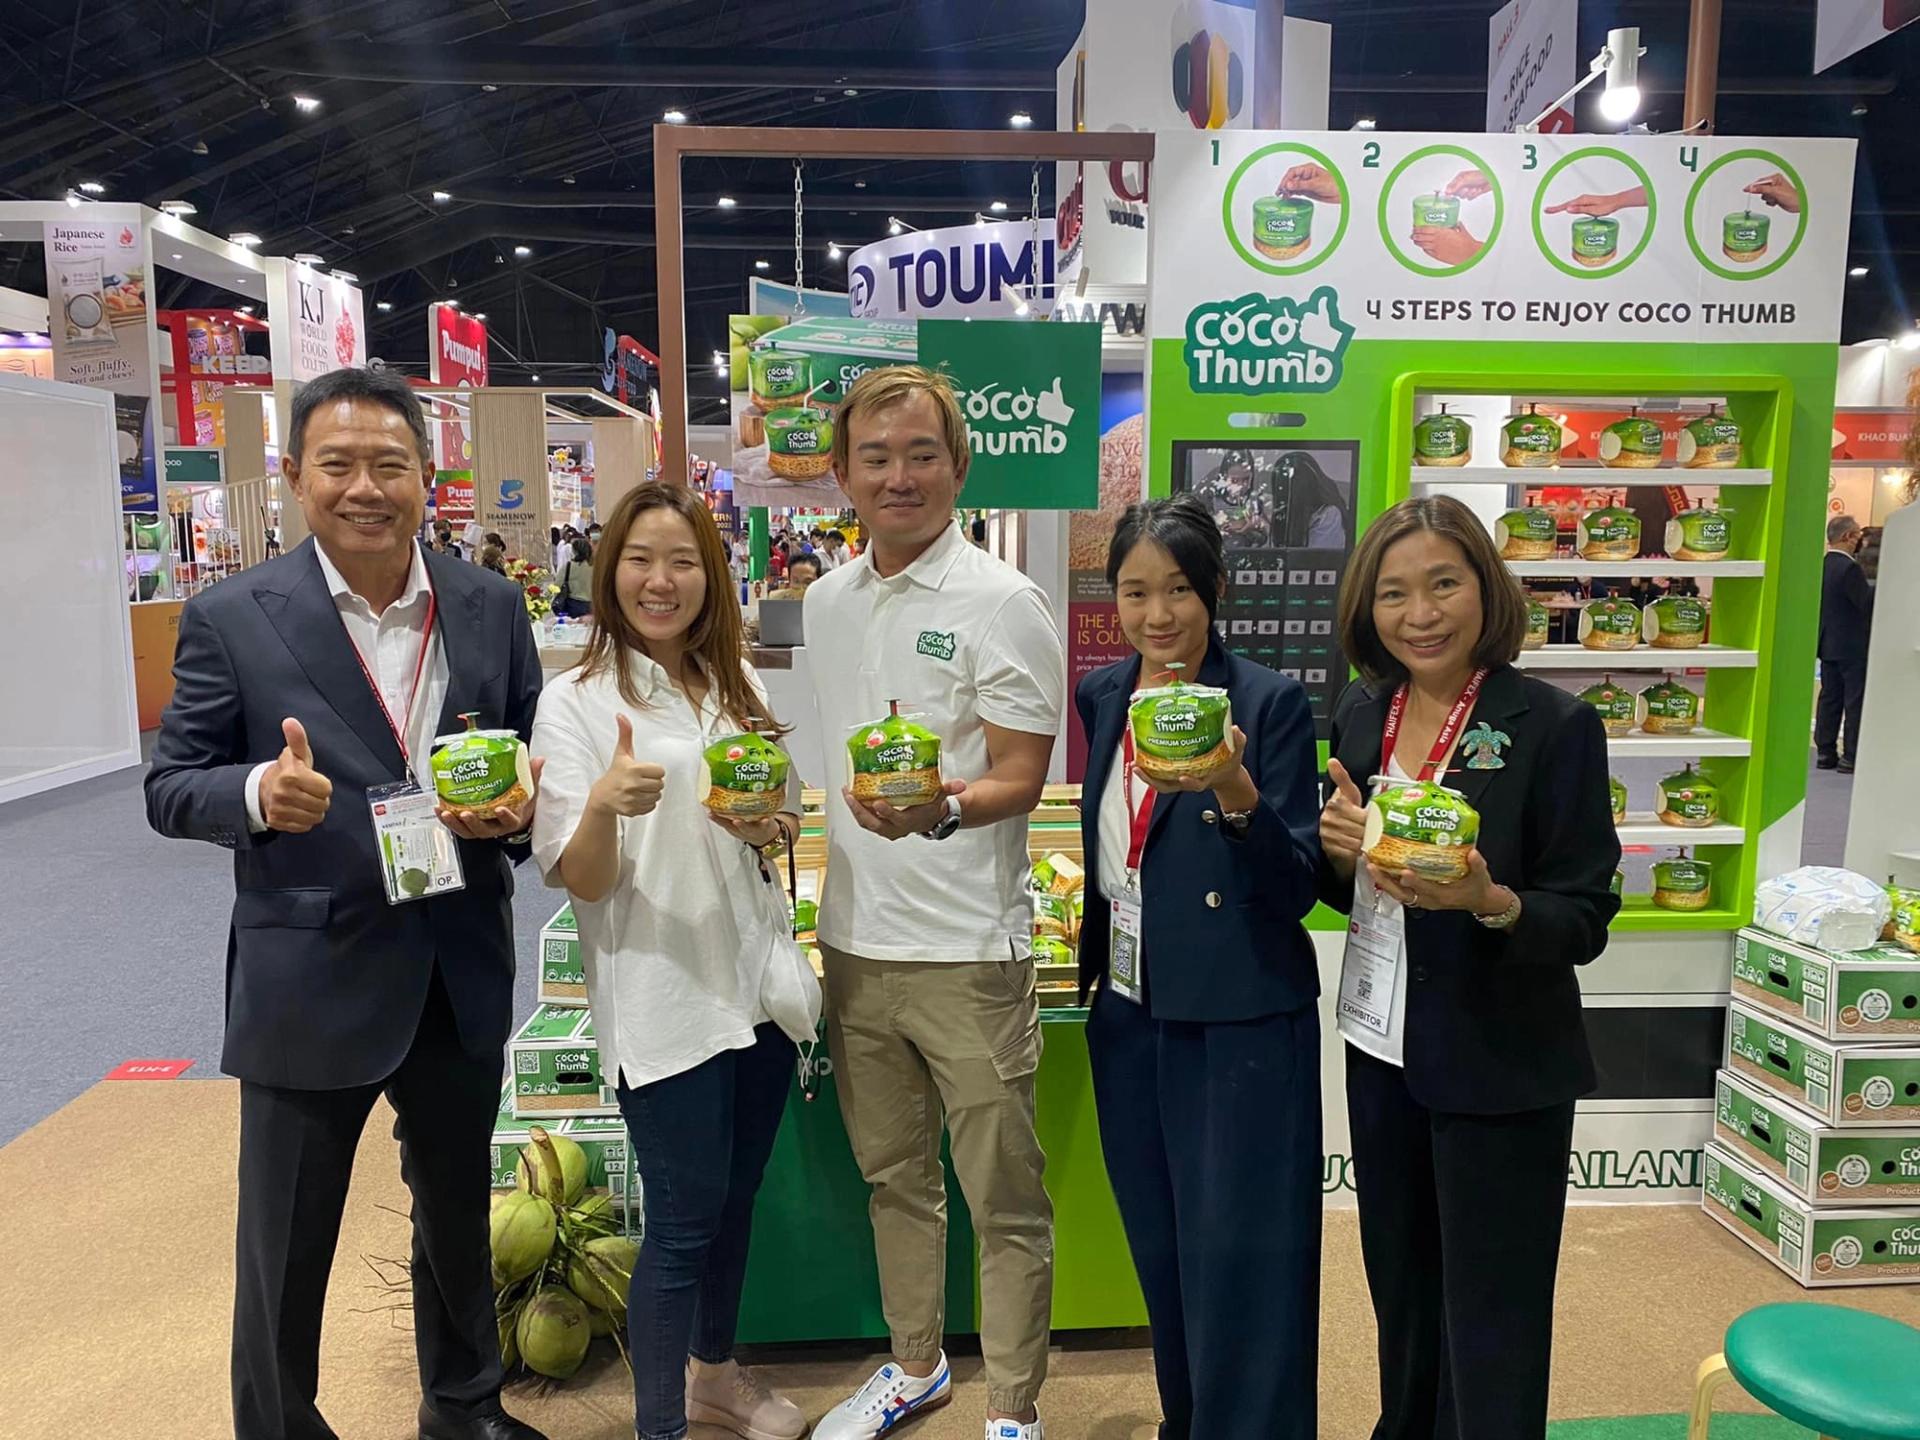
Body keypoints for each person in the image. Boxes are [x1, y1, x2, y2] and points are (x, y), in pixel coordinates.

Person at [144, 365, 547, 1440]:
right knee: (286, 1237)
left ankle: (464, 1409)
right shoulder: (234, 616)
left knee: (458, 1214)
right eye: (339, 464)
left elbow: (524, 753)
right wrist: (254, 794)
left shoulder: (489, 604)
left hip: (457, 959)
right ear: (294, 477)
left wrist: (517, 810)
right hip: (309, 969)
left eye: (391, 465)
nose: (366, 487)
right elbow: (169, 784)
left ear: (429, 477)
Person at [1316, 495, 1620, 1440]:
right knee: (1401, 1291)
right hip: (1384, 1047)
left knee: (1492, 1313)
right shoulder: (1365, 712)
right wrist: (1335, 854)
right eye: (1395, 593)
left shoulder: (1553, 725)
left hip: (1502, 1061)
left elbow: (1585, 914)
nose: (1421, 614)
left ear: (1486, 590)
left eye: (1443, 584)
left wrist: (1492, 900)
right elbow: (1370, 895)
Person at [804, 366, 1063, 1440]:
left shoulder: (1003, 600)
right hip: (858, 943)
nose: (898, 475)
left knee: (1003, 1197)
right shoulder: (825, 602)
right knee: (894, 1181)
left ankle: (1013, 1409)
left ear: (960, 467)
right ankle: (916, 1367)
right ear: (842, 474)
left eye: (921, 454)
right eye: (876, 456)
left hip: (968, 950)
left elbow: (1022, 774)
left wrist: (950, 810)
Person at [532, 482, 818, 1440]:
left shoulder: (742, 685)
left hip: (756, 987)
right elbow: (581, 877)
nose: (663, 581)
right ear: (610, 571)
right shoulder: (573, 702)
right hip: (665, 996)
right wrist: (607, 804)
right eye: (642, 560)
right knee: (684, 1224)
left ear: (714, 573)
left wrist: (774, 817)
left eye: (684, 560)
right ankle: (662, 1426)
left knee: (733, 1206)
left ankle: (715, 1375)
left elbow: (777, 813)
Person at [1075, 496, 1323, 1440]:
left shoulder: (1265, 704)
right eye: (1136, 591)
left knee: (1247, 1264)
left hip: (1241, 1021)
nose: (1158, 614)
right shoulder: (1103, 696)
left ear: (1215, 590)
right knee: (1166, 1251)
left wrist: (1234, 788)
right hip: (1131, 1013)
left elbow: (1297, 886)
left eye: (1179, 589)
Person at [1816, 513, 1874, 773]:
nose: (1860, 541)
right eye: (1858, 536)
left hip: (1828, 644)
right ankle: (1850, 756)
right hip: (1852, 647)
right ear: (1847, 537)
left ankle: (1825, 752)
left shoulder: (1823, 566)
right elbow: (1864, 604)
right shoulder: (1850, 569)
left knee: (1829, 699)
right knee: (1854, 701)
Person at [559, 536, 594, 618]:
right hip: (592, 604)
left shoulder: (568, 566)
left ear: (574, 551)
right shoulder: (595, 567)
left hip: (573, 605)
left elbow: (557, 585)